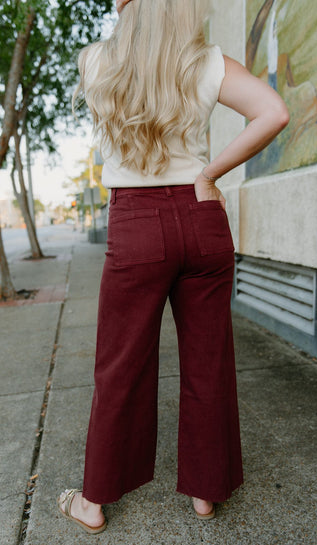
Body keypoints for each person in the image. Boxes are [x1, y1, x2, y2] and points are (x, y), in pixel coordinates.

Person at [57, 0, 289, 534]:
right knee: (209, 360)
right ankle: (207, 493)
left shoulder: (96, 62)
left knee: (121, 365)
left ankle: (93, 502)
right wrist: (209, 174)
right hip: (202, 215)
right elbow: (274, 112)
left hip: (136, 223)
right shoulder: (208, 62)